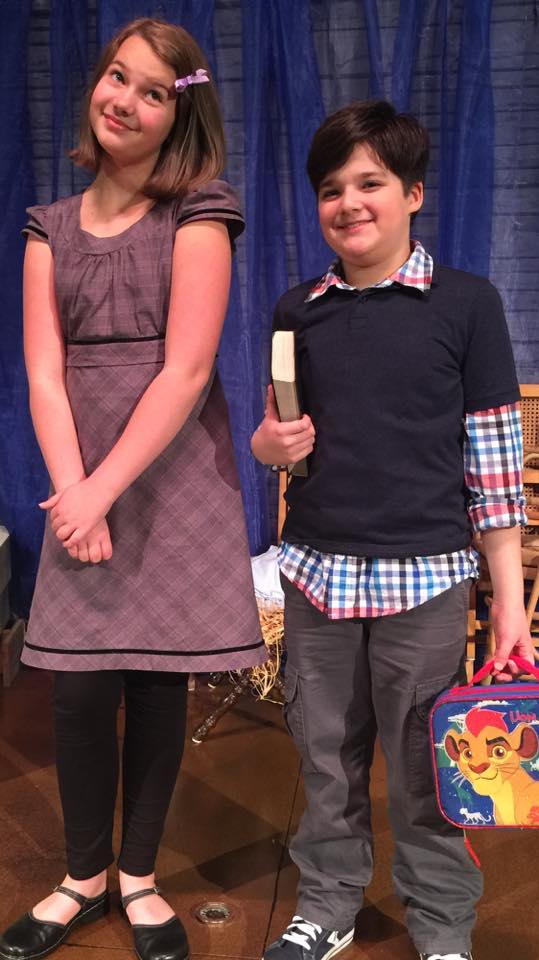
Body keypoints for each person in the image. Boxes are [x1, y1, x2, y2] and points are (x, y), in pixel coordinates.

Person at [0, 17, 265, 960]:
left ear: (178, 115)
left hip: (170, 470)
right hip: (82, 472)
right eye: (119, 77)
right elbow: (43, 375)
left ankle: (139, 877)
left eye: (153, 91)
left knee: (157, 678)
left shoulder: (200, 212)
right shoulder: (48, 227)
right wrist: (74, 492)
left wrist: (101, 491)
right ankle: (82, 877)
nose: (126, 100)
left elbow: (187, 371)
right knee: (76, 687)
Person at [251, 100, 534, 960]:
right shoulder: (297, 310)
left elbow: (493, 471)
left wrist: (509, 604)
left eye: (369, 182)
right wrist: (267, 447)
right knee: (324, 757)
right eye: (331, 189)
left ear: (411, 192)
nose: (349, 203)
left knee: (425, 764)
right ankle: (327, 905)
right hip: (318, 575)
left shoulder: (467, 305)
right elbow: (280, 438)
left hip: (427, 580)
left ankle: (441, 924)